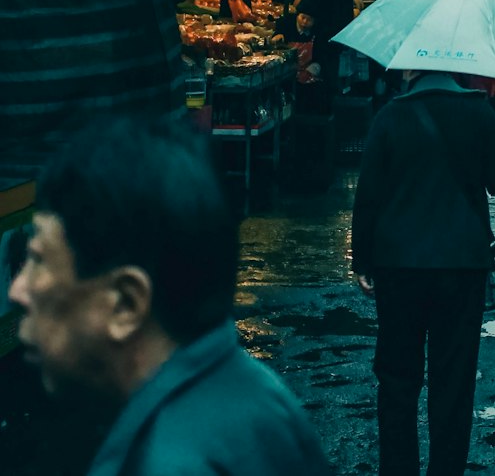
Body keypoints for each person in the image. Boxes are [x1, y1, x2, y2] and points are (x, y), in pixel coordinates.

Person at [10, 114, 328, 476]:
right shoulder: (258, 394)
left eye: (37, 259)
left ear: (126, 303)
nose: (19, 290)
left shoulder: (167, 464)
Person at [352, 69, 495, 476]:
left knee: (397, 380)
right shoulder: (477, 112)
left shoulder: (390, 115)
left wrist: (362, 261)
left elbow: (368, 194)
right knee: (454, 382)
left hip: (398, 267)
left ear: (412, 70)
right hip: (460, 267)